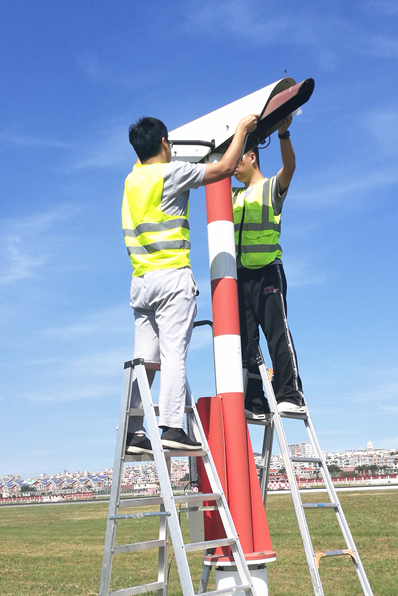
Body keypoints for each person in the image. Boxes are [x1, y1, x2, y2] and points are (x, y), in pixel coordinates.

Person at [122, 113, 259, 455]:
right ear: (165, 144)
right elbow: (225, 168)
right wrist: (241, 128)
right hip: (171, 279)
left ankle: (133, 429)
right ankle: (171, 427)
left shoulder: (132, 180)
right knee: (173, 356)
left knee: (144, 360)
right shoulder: (172, 172)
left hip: (141, 282)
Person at [233, 115, 306, 418]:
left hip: (267, 271)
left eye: (237, 158)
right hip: (240, 276)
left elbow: (289, 168)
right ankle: (255, 401)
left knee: (277, 334)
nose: (232, 165)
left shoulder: (270, 187)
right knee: (246, 341)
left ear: (252, 157)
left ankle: (290, 393)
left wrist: (283, 134)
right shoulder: (233, 197)